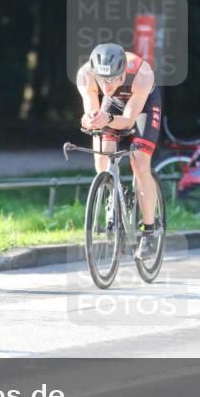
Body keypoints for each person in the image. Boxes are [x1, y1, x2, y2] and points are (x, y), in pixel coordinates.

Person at [76, 43, 162, 260]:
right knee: (102, 159)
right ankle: (114, 197)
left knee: (139, 161)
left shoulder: (142, 73)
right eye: (102, 79)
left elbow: (129, 120)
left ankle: (149, 231)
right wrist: (90, 119)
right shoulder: (85, 75)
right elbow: (92, 110)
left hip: (142, 107)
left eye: (113, 79)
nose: (107, 85)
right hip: (113, 104)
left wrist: (108, 119)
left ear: (123, 71)